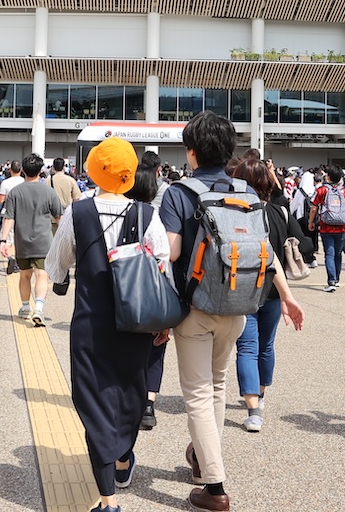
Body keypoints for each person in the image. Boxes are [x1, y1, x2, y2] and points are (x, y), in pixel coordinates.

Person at [160, 110, 305, 511]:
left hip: (194, 308)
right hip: (239, 305)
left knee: (197, 394)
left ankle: (215, 486)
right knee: (219, 386)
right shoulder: (245, 191)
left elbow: (170, 252)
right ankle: (203, 460)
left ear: (191, 152)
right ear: (228, 151)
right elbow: (266, 251)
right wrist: (288, 296)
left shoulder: (179, 192)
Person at [46, 137, 170, 512]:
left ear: (94, 171)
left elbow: (55, 266)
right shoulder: (148, 215)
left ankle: (109, 502)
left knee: (93, 402)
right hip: (136, 324)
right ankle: (122, 457)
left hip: (90, 324)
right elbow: (162, 266)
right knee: (130, 396)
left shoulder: (78, 212)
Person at [230, 154, 304, 433]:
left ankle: (253, 409)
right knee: (266, 345)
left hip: (245, 288)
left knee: (247, 346)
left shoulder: (236, 213)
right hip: (275, 287)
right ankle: (259, 394)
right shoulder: (279, 210)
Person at [128, 151, 169, 431]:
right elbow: (164, 256)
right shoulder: (162, 205)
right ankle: (149, 403)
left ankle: (126, 398)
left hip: (125, 288)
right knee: (156, 344)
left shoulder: (120, 208)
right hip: (153, 286)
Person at [0, 152, 64, 326]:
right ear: (41, 170)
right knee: (42, 275)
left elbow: (9, 218)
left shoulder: (15, 192)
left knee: (25, 276)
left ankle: (26, 307)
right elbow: (59, 217)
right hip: (44, 241)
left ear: (23, 171)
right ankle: (39, 309)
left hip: (23, 241)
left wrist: (3, 240)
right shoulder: (49, 191)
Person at [313, 164, 345, 292]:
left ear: (328, 177)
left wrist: (311, 221)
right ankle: (336, 279)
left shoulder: (322, 190)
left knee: (329, 254)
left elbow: (314, 207)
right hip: (341, 227)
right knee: (338, 254)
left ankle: (331, 281)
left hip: (326, 227)